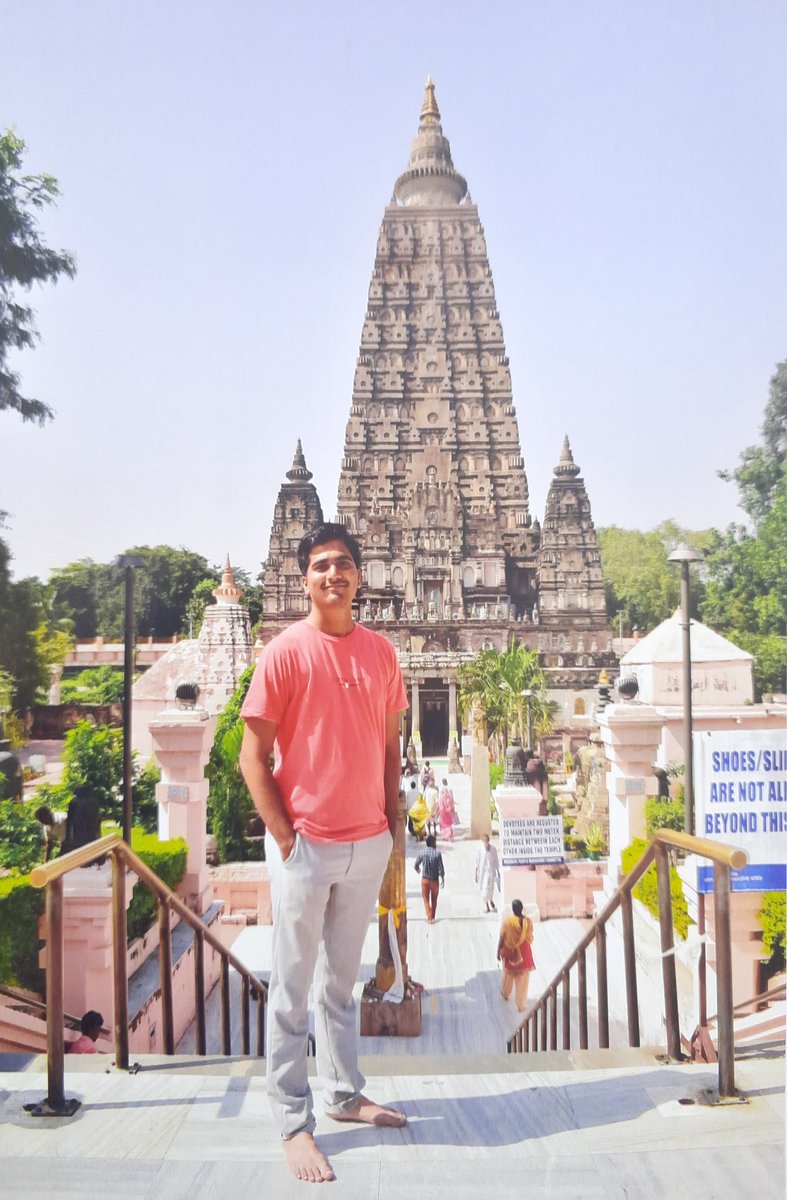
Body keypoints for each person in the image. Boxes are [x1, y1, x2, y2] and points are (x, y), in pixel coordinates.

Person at [239, 523, 407, 1184]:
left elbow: (391, 748)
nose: (331, 575)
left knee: (340, 983)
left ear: (359, 576)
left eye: (342, 564)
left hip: (366, 843)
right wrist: (286, 838)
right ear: (304, 579)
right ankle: (291, 1120)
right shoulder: (284, 652)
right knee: (291, 990)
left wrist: (389, 828)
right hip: (306, 846)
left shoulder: (381, 654)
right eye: (318, 566)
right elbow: (251, 757)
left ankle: (343, 1095)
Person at [497, 900, 535, 1012]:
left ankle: (505, 993)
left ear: (513, 909)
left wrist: (498, 951)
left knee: (508, 974)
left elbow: (502, 937)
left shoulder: (507, 922)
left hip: (510, 952)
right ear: (522, 908)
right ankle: (520, 1004)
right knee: (522, 979)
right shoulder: (527, 921)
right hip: (524, 953)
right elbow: (530, 937)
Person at [414, 833, 445, 923]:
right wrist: (443, 879)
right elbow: (441, 868)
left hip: (425, 880)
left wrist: (418, 870)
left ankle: (430, 917)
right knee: (434, 899)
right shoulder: (437, 853)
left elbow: (416, 865)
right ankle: (432, 917)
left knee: (425, 898)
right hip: (435, 880)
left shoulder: (422, 853)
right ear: (433, 843)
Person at [474, 833, 500, 912]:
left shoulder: (493, 849)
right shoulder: (480, 849)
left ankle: (490, 900)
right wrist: (476, 874)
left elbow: (496, 860)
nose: (486, 842)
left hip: (491, 872)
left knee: (491, 888)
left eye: (487, 840)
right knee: (485, 889)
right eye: (484, 840)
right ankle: (487, 906)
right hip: (483, 873)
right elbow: (477, 862)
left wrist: (498, 871)